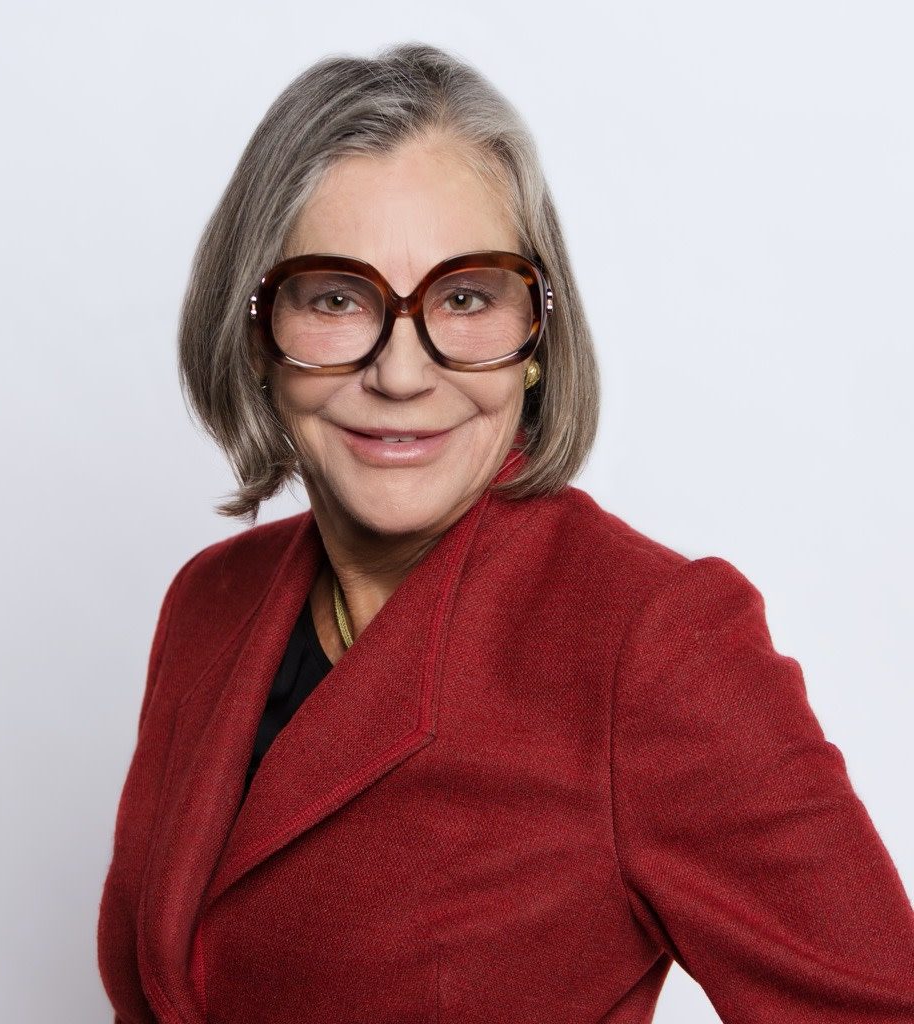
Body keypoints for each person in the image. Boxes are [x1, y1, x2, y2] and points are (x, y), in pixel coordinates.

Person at [97, 42, 914, 1024]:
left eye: (466, 297)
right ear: (256, 327)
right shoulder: (207, 605)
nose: (401, 373)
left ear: (537, 337)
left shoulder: (654, 642)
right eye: (335, 297)